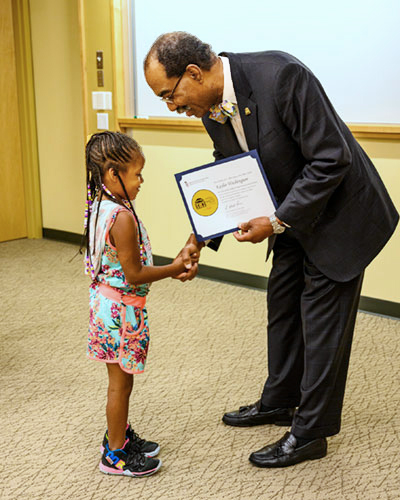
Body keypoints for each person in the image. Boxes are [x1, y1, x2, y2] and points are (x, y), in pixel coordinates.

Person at [144, 32, 399, 468]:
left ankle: (309, 433)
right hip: (291, 217)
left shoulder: (282, 76)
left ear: (193, 72)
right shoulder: (208, 104)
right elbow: (233, 169)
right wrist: (201, 234)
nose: (171, 106)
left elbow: (331, 158)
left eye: (170, 95)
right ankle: (280, 400)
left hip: (338, 217)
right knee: (282, 307)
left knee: (321, 326)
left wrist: (278, 221)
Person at [83, 131, 198, 477]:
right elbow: (134, 273)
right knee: (120, 384)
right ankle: (114, 455)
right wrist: (176, 267)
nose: (142, 180)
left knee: (123, 381)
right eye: (137, 173)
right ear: (112, 174)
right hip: (120, 313)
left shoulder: (102, 205)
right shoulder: (123, 218)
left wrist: (170, 266)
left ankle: (118, 435)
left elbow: (124, 265)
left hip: (107, 307)